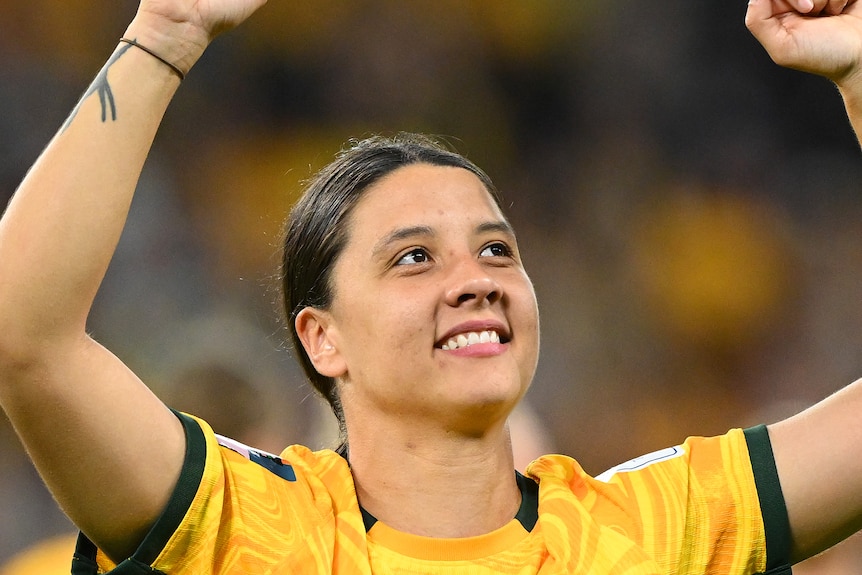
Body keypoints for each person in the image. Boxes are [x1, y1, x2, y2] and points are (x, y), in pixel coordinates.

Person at [0, 0, 860, 573]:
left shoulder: (647, 530)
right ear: (319, 336)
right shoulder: (244, 528)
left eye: (497, 250)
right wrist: (166, 35)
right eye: (414, 257)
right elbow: (24, 336)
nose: (476, 281)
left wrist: (859, 75)